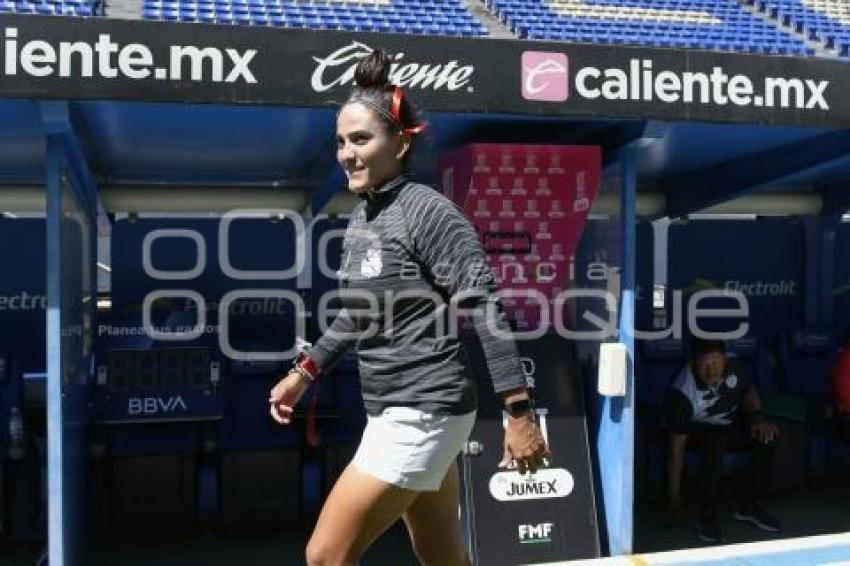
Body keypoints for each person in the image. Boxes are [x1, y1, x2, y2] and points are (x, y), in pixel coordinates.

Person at [268, 49, 549, 566]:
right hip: (396, 410)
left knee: (325, 556)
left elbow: (486, 310)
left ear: (400, 142)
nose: (347, 154)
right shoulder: (363, 217)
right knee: (442, 557)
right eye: (340, 141)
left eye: (361, 139)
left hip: (424, 410)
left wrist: (518, 414)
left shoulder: (430, 213)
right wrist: (304, 373)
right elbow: (358, 313)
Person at [663, 338, 781, 544]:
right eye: (704, 365)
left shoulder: (734, 368)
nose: (711, 371)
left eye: (716, 363)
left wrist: (757, 418)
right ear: (693, 363)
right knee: (715, 440)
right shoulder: (681, 392)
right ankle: (706, 515)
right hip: (698, 432)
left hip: (729, 424)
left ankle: (749, 505)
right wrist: (674, 501)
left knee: (767, 436)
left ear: (724, 360)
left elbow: (748, 391)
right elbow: (676, 450)